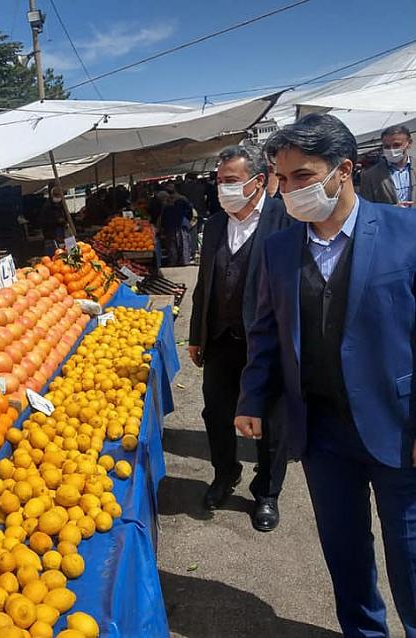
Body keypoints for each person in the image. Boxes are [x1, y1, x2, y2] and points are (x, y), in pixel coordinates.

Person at [235, 113, 416, 636]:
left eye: (304, 176)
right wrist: (251, 399)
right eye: (283, 179)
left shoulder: (405, 234)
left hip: (398, 427)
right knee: (345, 554)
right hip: (322, 434)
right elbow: (266, 333)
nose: (290, 190)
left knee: (411, 557)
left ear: (344, 171)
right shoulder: (279, 249)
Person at [188, 145, 291, 530]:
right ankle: (225, 472)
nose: (222, 189)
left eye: (230, 182)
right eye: (219, 182)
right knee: (216, 412)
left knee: (270, 421)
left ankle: (266, 492)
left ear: (258, 181)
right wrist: (197, 333)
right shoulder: (215, 225)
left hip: (267, 342)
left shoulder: (286, 220)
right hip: (220, 339)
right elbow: (204, 285)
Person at [359, 124, 415, 207]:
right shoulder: (370, 176)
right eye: (387, 146)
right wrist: (392, 209)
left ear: (409, 143)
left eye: (397, 145)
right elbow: (367, 207)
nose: (391, 150)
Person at [159, 182, 193, 266]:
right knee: (183, 243)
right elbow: (190, 212)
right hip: (181, 224)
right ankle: (184, 261)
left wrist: (163, 226)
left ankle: (173, 261)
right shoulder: (183, 199)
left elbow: (164, 215)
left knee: (172, 245)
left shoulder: (167, 202)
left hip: (171, 225)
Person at [39, 186, 68, 253]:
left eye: (60, 195)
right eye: (56, 195)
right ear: (52, 195)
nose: (59, 197)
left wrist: (64, 221)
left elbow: (65, 215)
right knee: (53, 252)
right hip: (50, 233)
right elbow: (44, 221)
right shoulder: (47, 206)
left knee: (62, 250)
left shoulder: (60, 204)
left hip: (60, 231)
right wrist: (56, 221)